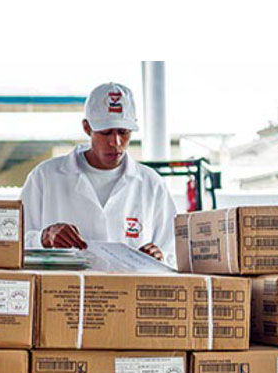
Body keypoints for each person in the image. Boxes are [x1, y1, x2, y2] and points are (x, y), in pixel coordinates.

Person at [21, 82, 177, 264]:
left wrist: (160, 258)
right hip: (64, 290)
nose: (116, 142)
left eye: (123, 132)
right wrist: (43, 238)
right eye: (106, 132)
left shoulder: (152, 184)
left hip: (128, 291)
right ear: (87, 128)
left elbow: (174, 251)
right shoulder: (45, 178)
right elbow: (11, 243)